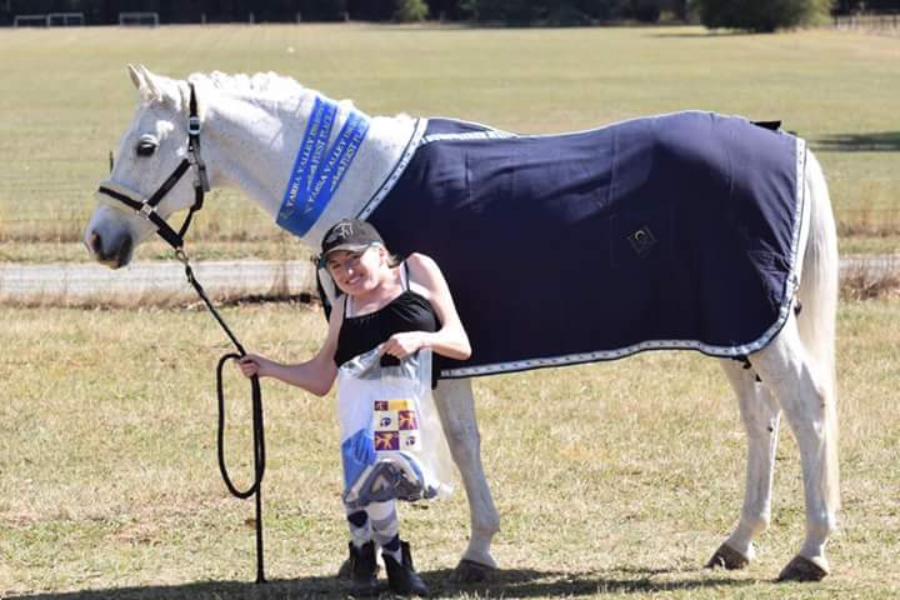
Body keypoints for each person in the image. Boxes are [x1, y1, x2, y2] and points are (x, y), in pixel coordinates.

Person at [238, 218, 471, 596]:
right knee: (369, 476)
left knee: (377, 477)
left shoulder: (417, 270)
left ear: (380, 254)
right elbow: (320, 377)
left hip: (402, 404)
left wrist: (419, 339)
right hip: (356, 404)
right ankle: (389, 563)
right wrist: (267, 368)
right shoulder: (342, 308)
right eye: (336, 266)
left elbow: (460, 343)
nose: (346, 272)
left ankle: (368, 551)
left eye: (353, 260)